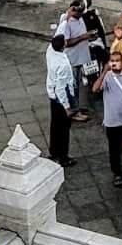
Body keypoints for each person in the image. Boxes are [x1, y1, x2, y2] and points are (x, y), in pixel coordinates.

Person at [94, 54, 122, 186]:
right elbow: (95, 89)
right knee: (114, 148)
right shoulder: (107, 77)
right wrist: (104, 72)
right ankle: (117, 173)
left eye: (117, 61)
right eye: (112, 61)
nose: (115, 63)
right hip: (112, 122)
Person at [56, 0, 93, 120]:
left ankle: (79, 107)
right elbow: (66, 42)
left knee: (82, 84)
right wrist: (83, 37)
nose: (82, 14)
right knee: (73, 86)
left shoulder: (80, 18)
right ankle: (73, 111)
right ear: (73, 10)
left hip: (83, 58)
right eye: (79, 11)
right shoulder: (66, 22)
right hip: (72, 60)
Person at [45, 34, 78, 166]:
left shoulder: (50, 52)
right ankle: (63, 157)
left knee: (55, 126)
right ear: (63, 46)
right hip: (61, 99)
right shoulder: (63, 65)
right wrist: (67, 107)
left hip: (52, 97)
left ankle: (54, 151)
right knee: (64, 129)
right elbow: (61, 88)